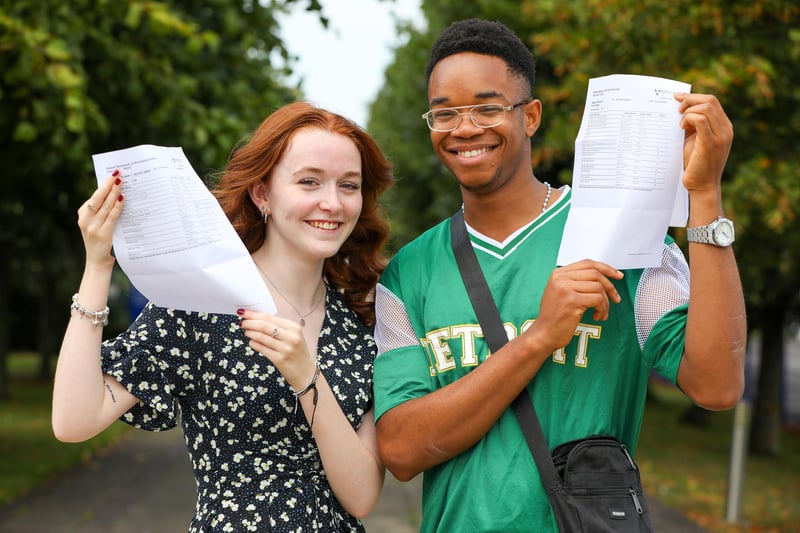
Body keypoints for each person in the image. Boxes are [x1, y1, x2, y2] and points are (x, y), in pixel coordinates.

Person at [372, 18, 746, 532]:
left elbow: (717, 386)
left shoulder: (624, 239)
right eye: (444, 114)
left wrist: (704, 196)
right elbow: (400, 449)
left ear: (530, 116)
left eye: (487, 108)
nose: (464, 129)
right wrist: (539, 338)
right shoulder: (408, 272)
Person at [52, 102, 393, 532]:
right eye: (309, 182)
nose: (332, 203)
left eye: (349, 185)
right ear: (263, 193)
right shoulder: (201, 302)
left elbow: (361, 497)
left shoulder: (364, 319)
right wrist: (99, 266)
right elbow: (73, 421)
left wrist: (308, 379)